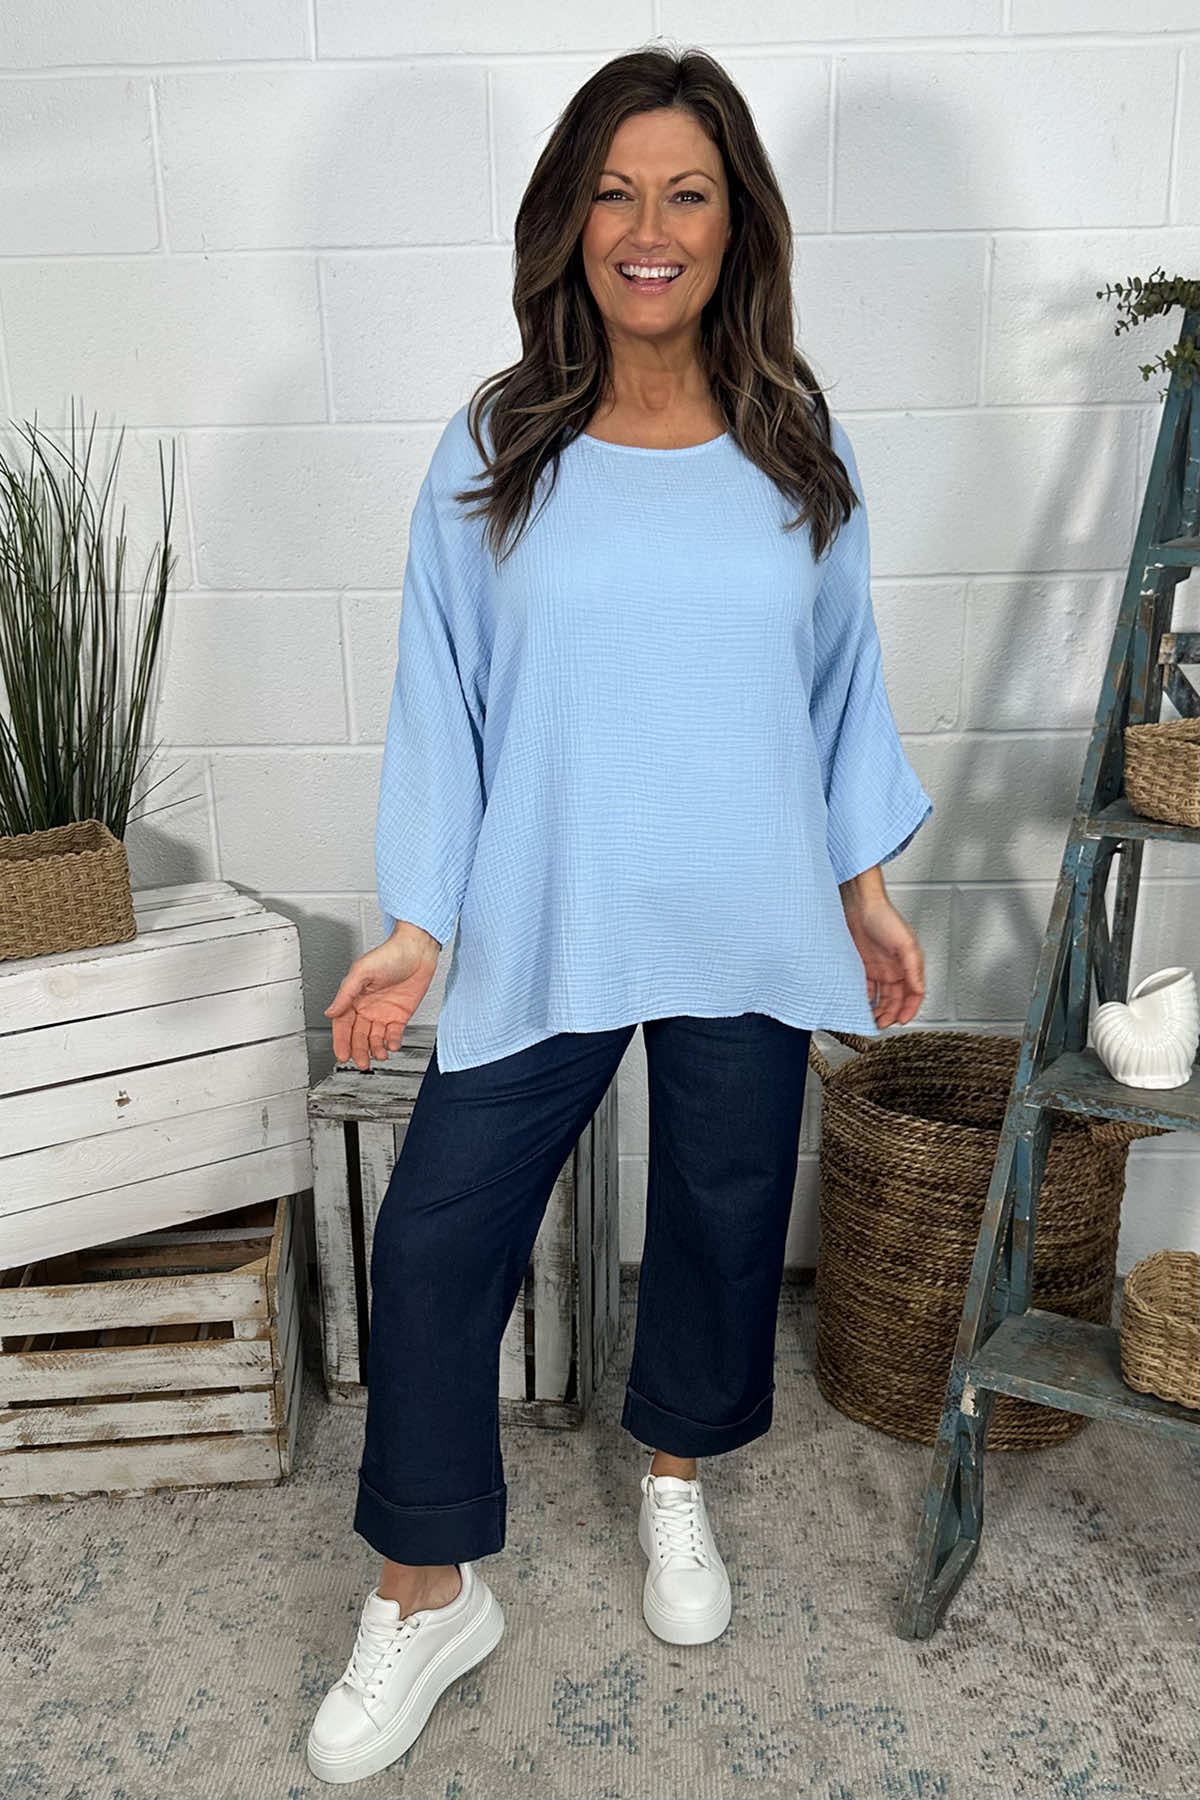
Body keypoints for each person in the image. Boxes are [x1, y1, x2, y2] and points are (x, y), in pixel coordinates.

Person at [306, 43, 932, 1785]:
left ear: (738, 227)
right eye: (615, 192)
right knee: (437, 1240)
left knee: (725, 1215)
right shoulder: (496, 448)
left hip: (747, 906)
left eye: (687, 194)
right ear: (571, 221)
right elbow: (441, 706)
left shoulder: (800, 445)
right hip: (550, 905)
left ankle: (675, 1479)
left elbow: (840, 689)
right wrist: (419, 923)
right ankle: (429, 1592)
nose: (649, 229)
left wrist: (866, 894)